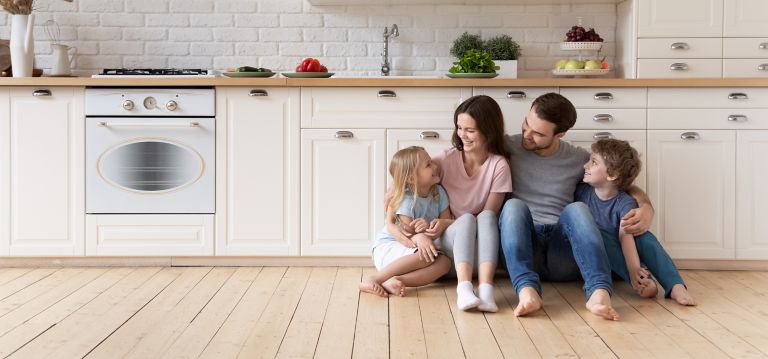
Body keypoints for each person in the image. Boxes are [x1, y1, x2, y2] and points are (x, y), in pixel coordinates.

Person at [499, 92, 654, 321]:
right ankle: (527, 291)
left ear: (560, 134)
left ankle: (599, 293)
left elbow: (617, 183)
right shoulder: (507, 146)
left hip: (562, 250)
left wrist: (646, 206)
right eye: (526, 125)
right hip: (523, 246)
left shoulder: (578, 158)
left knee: (577, 209)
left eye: (539, 133)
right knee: (512, 206)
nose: (527, 135)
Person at [391, 95, 513, 312]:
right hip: (445, 249)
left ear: (488, 130)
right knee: (466, 219)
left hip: (480, 248)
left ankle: (486, 291)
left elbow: (488, 217)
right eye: (459, 128)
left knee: (484, 217)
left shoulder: (498, 166)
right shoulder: (445, 160)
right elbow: (404, 183)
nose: (462, 135)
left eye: (470, 130)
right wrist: (396, 221)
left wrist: (447, 223)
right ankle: (464, 289)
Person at [577, 139, 696, 305]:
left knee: (644, 236)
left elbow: (625, 237)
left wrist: (634, 269)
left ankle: (674, 286)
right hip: (596, 262)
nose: (585, 165)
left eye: (593, 162)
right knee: (598, 233)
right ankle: (643, 281)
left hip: (624, 259)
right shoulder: (582, 192)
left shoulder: (625, 202)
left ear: (612, 175)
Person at [360, 146, 452, 297]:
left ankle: (395, 280)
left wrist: (430, 225)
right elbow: (406, 234)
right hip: (393, 245)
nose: (435, 166)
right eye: (428, 165)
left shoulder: (439, 193)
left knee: (445, 263)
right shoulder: (407, 198)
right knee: (427, 257)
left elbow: (445, 221)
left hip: (413, 250)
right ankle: (374, 279)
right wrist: (421, 235)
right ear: (411, 178)